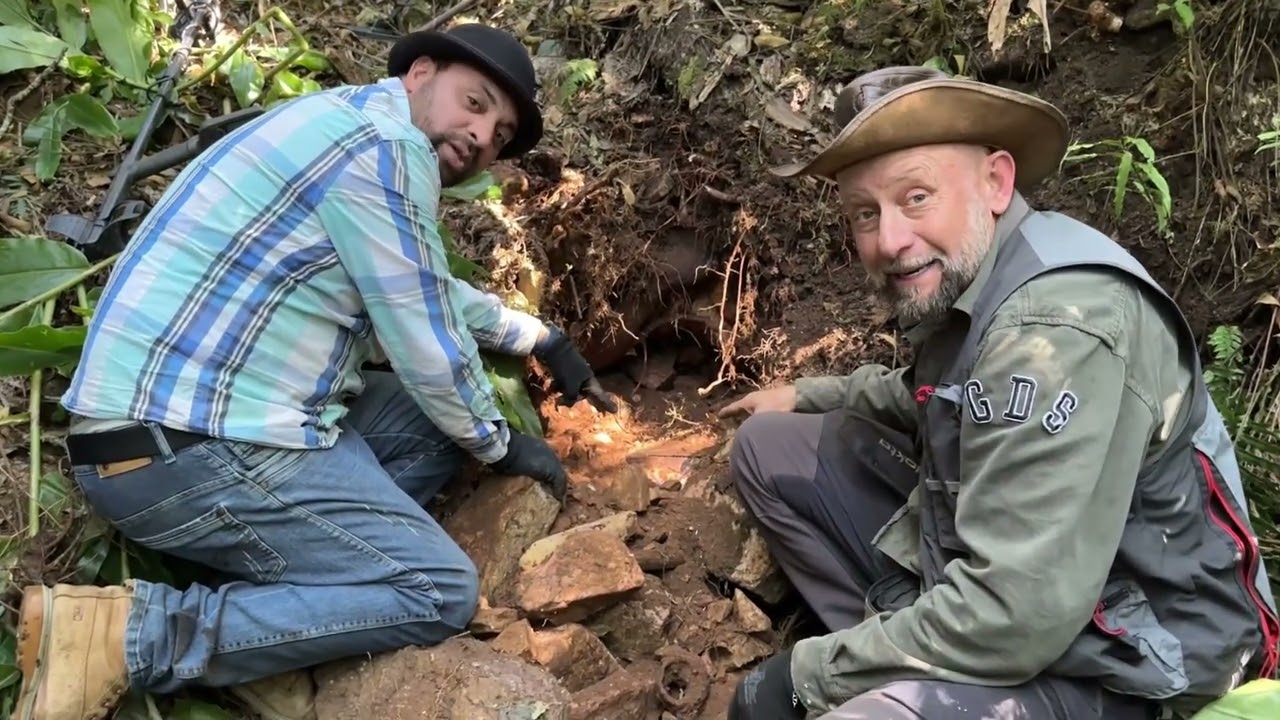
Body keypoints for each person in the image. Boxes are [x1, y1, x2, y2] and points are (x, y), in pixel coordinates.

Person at [10, 23, 616, 720]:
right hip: (183, 449)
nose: (483, 137)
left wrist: (542, 335)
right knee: (436, 589)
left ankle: (268, 633)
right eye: (475, 104)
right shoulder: (388, 151)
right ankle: (135, 637)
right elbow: (426, 343)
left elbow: (420, 287)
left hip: (179, 427)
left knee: (425, 431)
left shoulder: (348, 125)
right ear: (419, 72)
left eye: (501, 134)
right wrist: (502, 444)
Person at [720, 66, 1280, 720]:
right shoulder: (980, 275)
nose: (890, 239)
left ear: (995, 181)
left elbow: (1013, 615)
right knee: (771, 447)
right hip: (1046, 609)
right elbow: (937, 397)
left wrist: (806, 674)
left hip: (1144, 667)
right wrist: (812, 392)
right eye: (864, 213)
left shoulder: (1056, 330)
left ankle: (887, 687)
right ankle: (895, 669)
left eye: (916, 196)